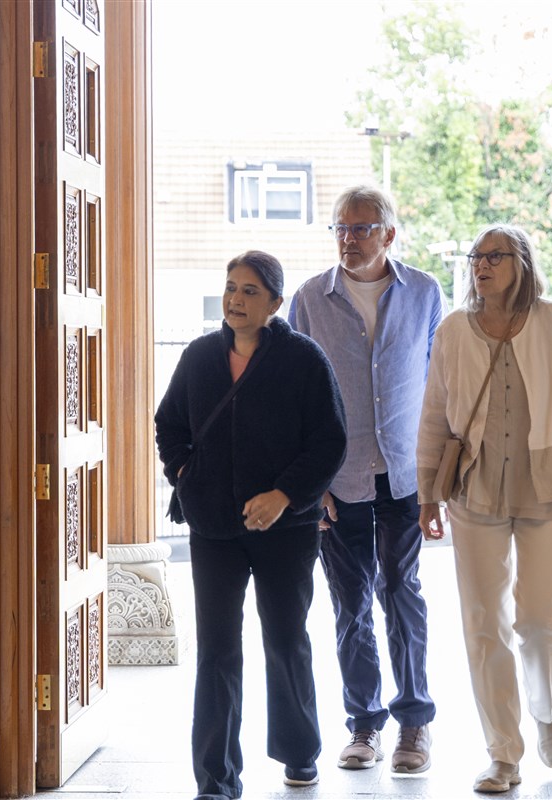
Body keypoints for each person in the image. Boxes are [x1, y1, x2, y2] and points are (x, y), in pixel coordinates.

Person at [416, 223, 552, 793]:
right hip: (473, 488)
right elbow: (434, 413)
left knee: (538, 619)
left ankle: (543, 708)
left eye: (495, 256)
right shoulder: (452, 329)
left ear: (522, 263)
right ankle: (503, 753)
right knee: (484, 623)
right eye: (476, 257)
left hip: (548, 485)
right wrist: (427, 493)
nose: (482, 265)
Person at [155, 251, 348, 800]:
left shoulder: (304, 359)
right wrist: (185, 473)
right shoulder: (199, 357)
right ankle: (215, 778)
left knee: (285, 640)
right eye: (231, 288)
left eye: (250, 291)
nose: (235, 300)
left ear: (275, 303)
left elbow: (330, 440)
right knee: (216, 649)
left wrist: (284, 495)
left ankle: (299, 753)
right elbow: (169, 423)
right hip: (213, 528)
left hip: (285, 531)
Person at [288, 185, 443, 774]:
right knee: (350, 604)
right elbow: (296, 397)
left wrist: (437, 476)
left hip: (405, 474)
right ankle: (364, 724)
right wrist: (311, 483)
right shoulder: (310, 298)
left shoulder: (424, 292)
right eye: (340, 228)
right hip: (337, 477)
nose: (348, 239)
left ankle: (414, 724)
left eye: (361, 228)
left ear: (389, 234)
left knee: (402, 592)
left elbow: (440, 385)